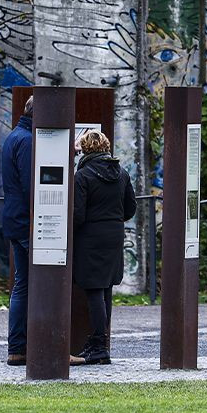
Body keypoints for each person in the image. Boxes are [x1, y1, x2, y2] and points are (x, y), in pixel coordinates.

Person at [71, 130, 136, 365]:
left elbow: (77, 215)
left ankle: (98, 345)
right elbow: (130, 209)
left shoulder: (83, 176)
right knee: (106, 288)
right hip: (115, 234)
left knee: (94, 291)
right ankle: (101, 343)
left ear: (86, 150)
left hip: (91, 236)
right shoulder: (122, 173)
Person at [0, 96, 33, 366]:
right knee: (45, 280)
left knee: (22, 284)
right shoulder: (28, 140)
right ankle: (44, 344)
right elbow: (31, 185)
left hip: (14, 219)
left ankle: (17, 347)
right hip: (27, 221)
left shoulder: (15, 135)